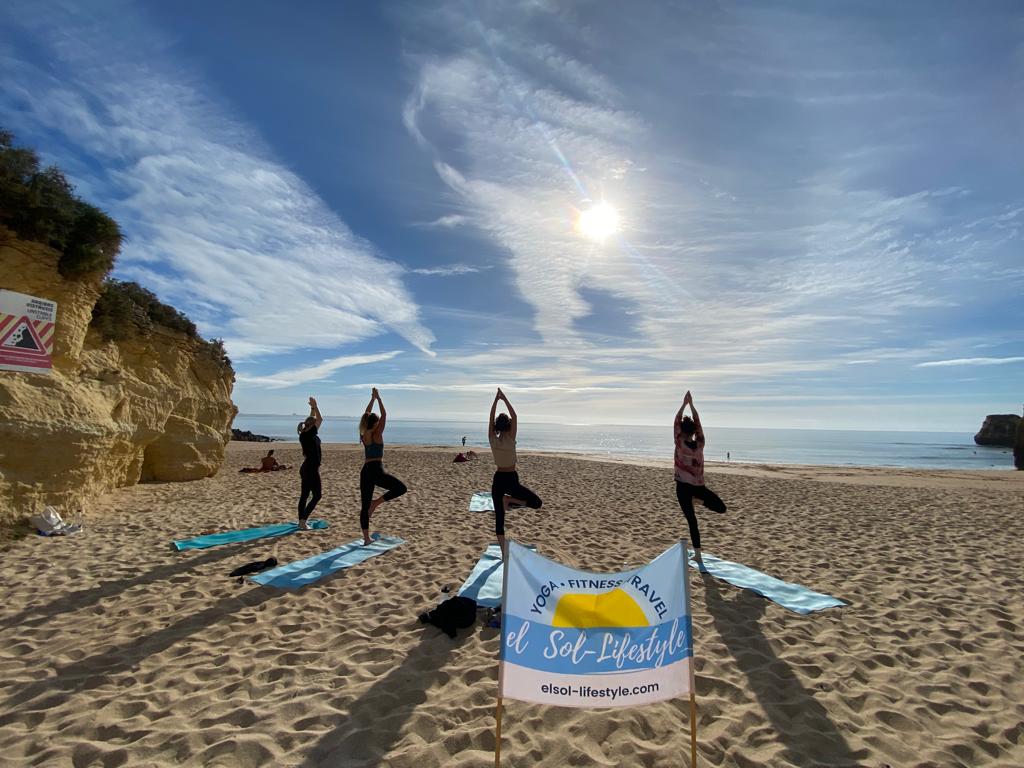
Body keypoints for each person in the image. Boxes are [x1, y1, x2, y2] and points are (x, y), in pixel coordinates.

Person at [674, 390, 727, 571]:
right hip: (697, 488)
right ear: (694, 432)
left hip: (684, 488)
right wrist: (692, 405)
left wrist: (684, 404)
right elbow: (699, 423)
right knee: (721, 508)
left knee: (692, 521)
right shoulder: (700, 443)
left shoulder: (679, 442)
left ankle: (697, 553)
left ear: (682, 431)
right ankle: (697, 555)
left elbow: (676, 420)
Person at [488, 388, 542, 558]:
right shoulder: (511, 437)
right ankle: (510, 499)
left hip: (498, 479)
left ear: (496, 425)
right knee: (536, 503)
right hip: (511, 479)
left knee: (500, 520)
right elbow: (515, 416)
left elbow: (490, 419)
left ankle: (504, 554)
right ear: (509, 425)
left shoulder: (492, 438)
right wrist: (503, 398)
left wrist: (496, 401)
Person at [358, 388, 407, 545]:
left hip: (366, 471)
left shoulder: (364, 433)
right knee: (401, 488)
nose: (381, 423)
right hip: (376, 470)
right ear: (375, 424)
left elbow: (366, 414)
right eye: (378, 422)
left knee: (364, 505)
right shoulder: (377, 434)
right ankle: (376, 502)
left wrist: (372, 400)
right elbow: (384, 415)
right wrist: (378, 398)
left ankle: (366, 538)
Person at [297, 397, 323, 530]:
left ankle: (301, 521)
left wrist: (312, 408)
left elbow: (312, 419)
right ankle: (303, 520)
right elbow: (319, 420)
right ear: (312, 426)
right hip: (311, 469)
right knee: (317, 495)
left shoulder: (304, 434)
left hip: (307, 467)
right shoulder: (309, 434)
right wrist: (316, 406)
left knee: (305, 495)